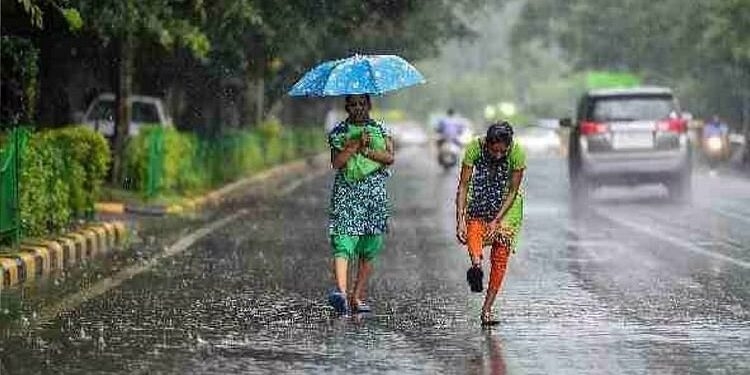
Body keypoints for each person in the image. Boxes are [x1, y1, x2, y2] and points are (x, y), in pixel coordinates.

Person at [326, 94, 395, 316]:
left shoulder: (381, 128)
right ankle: (341, 293)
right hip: (347, 194)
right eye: (353, 104)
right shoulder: (339, 132)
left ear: (369, 105)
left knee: (368, 247)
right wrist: (354, 145)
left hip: (373, 197)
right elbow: (336, 163)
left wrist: (366, 150)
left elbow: (389, 157)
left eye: (362, 104)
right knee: (343, 240)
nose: (357, 108)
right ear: (346, 107)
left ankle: (356, 296)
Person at [455, 121, 526, 326]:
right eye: (494, 150)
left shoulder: (517, 153)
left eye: (502, 152)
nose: (497, 155)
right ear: (487, 144)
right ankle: (476, 265)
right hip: (480, 196)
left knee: (500, 255)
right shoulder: (474, 148)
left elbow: (513, 191)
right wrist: (459, 219)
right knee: (474, 230)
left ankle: (487, 310)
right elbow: (464, 185)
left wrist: (497, 220)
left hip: (507, 205)